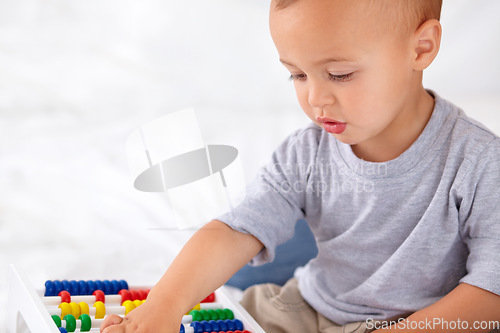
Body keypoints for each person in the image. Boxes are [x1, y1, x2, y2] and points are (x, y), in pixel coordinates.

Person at [101, 0, 500, 332]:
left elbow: (491, 289)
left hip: (425, 323)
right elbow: (238, 229)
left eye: (340, 74)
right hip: (309, 310)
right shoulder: (306, 152)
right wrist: (165, 304)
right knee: (235, 309)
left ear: (422, 48)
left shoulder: (479, 161)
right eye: (297, 74)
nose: (315, 98)